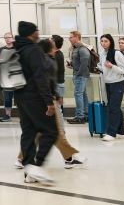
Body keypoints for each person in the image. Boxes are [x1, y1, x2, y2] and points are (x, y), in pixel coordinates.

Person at [15, 38, 87, 170]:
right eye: (53, 47)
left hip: (40, 100)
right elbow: (45, 83)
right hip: (44, 101)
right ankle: (69, 158)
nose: (55, 49)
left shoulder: (39, 60)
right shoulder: (46, 62)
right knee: (55, 131)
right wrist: (52, 100)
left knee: (39, 132)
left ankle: (22, 158)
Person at [13, 22, 57, 186]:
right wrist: (48, 101)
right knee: (51, 131)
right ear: (31, 33)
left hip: (20, 96)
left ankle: (29, 172)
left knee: (28, 133)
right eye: (36, 29)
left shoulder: (18, 49)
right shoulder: (34, 50)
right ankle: (36, 166)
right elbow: (40, 77)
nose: (38, 32)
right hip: (34, 96)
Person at [99, 33, 124, 142]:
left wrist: (112, 66)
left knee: (113, 108)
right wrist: (99, 68)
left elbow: (123, 70)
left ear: (110, 42)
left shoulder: (117, 53)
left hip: (118, 83)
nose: (103, 43)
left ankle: (111, 133)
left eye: (106, 41)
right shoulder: (102, 53)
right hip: (108, 83)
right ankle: (121, 131)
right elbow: (104, 68)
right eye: (102, 41)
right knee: (113, 107)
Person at [67, 31, 92, 124]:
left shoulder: (82, 48)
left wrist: (78, 73)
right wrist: (71, 65)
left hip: (81, 76)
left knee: (78, 94)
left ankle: (80, 116)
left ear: (77, 37)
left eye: (71, 37)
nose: (69, 39)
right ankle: (86, 115)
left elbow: (85, 62)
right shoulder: (75, 48)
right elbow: (79, 62)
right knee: (82, 95)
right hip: (79, 74)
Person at [0, 32, 17, 122]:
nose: (7, 39)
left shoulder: (17, 49)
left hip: (17, 76)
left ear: (13, 38)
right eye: (5, 38)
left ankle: (24, 114)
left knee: (19, 96)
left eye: (9, 37)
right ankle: (7, 115)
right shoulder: (1, 50)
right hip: (6, 77)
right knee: (7, 97)